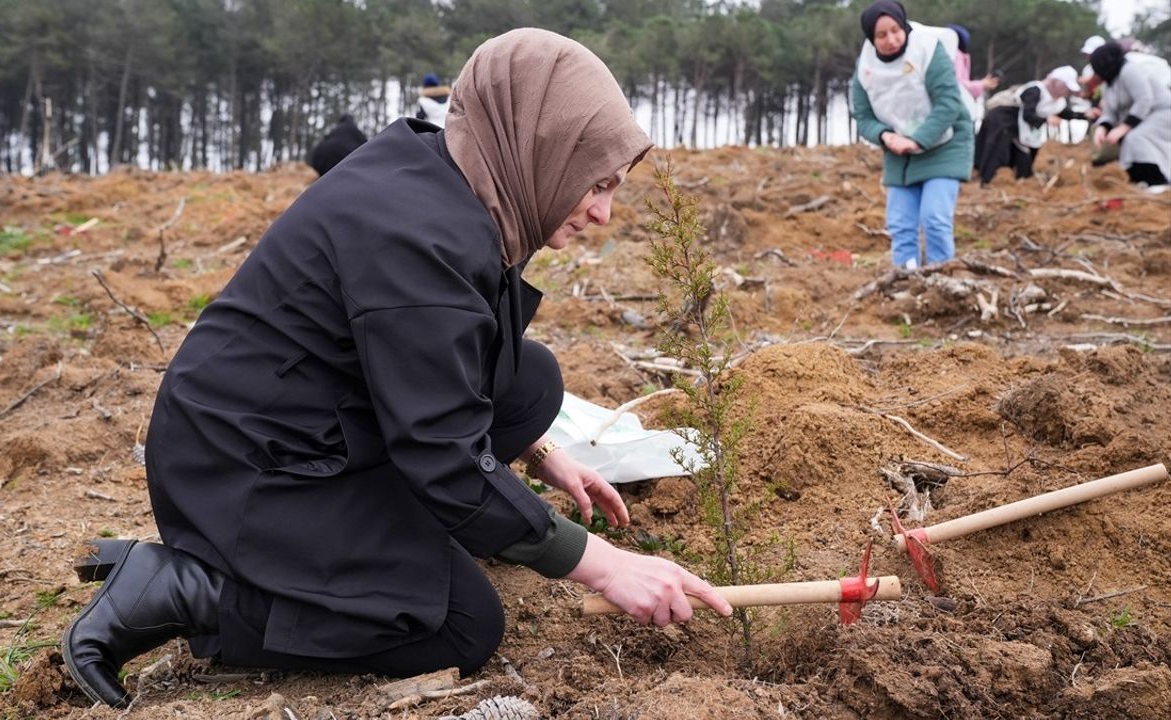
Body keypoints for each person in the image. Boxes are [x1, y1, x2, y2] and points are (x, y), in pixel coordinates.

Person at [60, 28, 732, 709]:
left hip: (308, 418)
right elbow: (443, 456)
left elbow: (452, 364)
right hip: (247, 466)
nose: (602, 212)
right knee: (459, 622)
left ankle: (378, 546)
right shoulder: (417, 237)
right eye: (596, 183)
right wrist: (606, 565)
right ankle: (190, 589)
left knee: (530, 385)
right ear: (540, 147)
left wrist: (540, 454)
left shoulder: (459, 177)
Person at [851, 1, 974, 268]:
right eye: (881, 35)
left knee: (934, 218)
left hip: (945, 143)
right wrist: (884, 136)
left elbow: (949, 103)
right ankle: (907, 279)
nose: (891, 40)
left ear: (904, 25)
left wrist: (917, 140)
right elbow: (862, 116)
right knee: (900, 224)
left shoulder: (927, 50)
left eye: (896, 30)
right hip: (898, 151)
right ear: (871, 39)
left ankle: (941, 278)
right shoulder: (866, 67)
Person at [974, 66, 1081, 185]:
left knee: (1025, 156)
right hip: (1003, 121)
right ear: (1055, 82)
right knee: (998, 152)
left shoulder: (1057, 102)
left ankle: (1020, 180)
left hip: (1021, 128)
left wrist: (1087, 114)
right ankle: (987, 181)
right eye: (1065, 87)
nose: (1066, 91)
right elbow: (1028, 115)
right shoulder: (1035, 90)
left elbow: (1066, 113)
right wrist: (1046, 119)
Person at [1090, 42, 1171, 189]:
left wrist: (1123, 128)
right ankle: (1141, 180)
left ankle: (1157, 181)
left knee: (1135, 139)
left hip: (1162, 112)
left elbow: (1144, 99)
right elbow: (1110, 111)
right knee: (1128, 141)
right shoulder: (1110, 83)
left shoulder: (1130, 70)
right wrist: (1102, 127)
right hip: (1144, 117)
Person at [947, 24, 999, 121]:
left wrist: (981, 84)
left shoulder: (948, 53)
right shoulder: (957, 55)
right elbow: (958, 86)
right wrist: (981, 85)